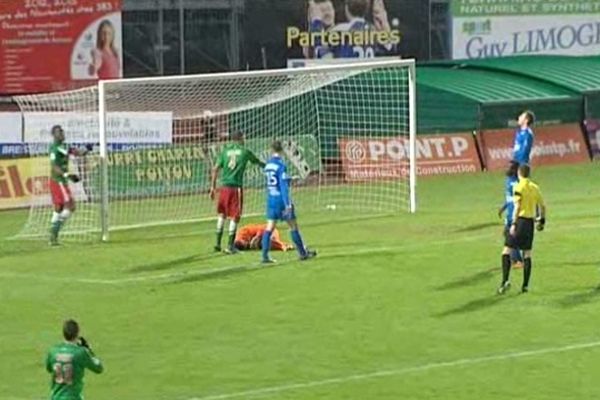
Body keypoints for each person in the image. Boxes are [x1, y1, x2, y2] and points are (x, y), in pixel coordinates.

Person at [262, 140, 317, 263]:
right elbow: (283, 187)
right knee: (293, 226)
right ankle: (302, 253)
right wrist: (287, 205)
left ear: (271, 150)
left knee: (269, 227)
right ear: (282, 151)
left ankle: (265, 256)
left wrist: (289, 179)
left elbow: (275, 181)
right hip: (281, 200)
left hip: (271, 199)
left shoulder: (267, 165)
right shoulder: (281, 166)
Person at [210, 131, 265, 253]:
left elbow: (215, 169)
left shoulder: (225, 151)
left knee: (221, 215)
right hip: (235, 188)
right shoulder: (245, 152)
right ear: (240, 139)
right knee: (235, 217)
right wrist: (267, 166)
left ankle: (217, 244)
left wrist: (212, 188)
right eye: (243, 138)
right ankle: (230, 246)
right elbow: (258, 162)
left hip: (223, 188)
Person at [498, 164, 546, 294]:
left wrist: (513, 223)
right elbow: (543, 206)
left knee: (506, 251)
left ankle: (505, 281)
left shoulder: (518, 187)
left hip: (520, 221)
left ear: (519, 173)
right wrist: (542, 221)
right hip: (530, 224)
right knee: (527, 253)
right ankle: (525, 286)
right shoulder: (535, 187)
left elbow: (518, 206)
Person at [49, 125, 92, 246]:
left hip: (60, 181)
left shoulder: (65, 146)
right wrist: (67, 175)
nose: (62, 133)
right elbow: (54, 167)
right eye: (59, 132)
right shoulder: (54, 148)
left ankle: (52, 237)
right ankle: (54, 234)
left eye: (62, 131)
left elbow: (78, 153)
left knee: (59, 208)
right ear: (54, 135)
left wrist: (87, 149)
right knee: (71, 206)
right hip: (58, 181)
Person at [46, 320, 103, 400]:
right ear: (77, 333)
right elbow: (99, 368)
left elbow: (49, 369)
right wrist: (89, 351)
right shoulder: (80, 352)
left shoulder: (53, 351)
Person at [497, 161, 524, 268]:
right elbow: (509, 198)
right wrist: (503, 207)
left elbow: (519, 200)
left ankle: (518, 260)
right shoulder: (508, 180)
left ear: (515, 170)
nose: (507, 169)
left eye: (510, 168)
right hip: (508, 213)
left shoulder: (517, 183)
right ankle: (515, 259)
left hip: (514, 214)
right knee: (508, 235)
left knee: (510, 236)